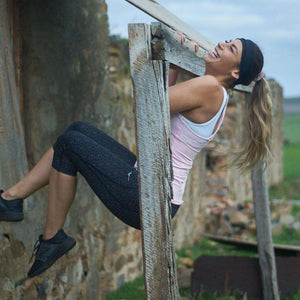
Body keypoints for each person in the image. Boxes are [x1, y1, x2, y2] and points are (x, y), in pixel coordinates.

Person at [0, 38, 272, 277]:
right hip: (154, 188)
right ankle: (10, 199)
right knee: (78, 131)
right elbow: (160, 106)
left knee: (71, 143)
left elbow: (146, 104)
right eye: (226, 41)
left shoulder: (210, 87)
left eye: (231, 48)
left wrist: (171, 62)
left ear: (235, 70)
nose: (222, 45)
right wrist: (174, 66)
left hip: (149, 196)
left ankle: (51, 238)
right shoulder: (217, 92)